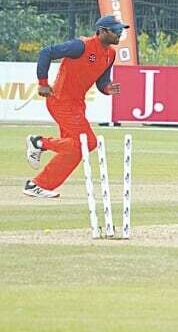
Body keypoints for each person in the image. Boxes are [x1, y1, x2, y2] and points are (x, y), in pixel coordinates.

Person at [23, 15, 126, 198]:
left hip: (77, 104)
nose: (120, 34)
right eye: (116, 31)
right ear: (102, 31)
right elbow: (46, 52)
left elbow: (102, 81)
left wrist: (106, 88)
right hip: (61, 101)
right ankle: (38, 142)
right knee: (89, 142)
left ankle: (37, 185)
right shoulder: (80, 46)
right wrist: (43, 83)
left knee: (75, 151)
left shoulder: (110, 54)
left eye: (121, 31)